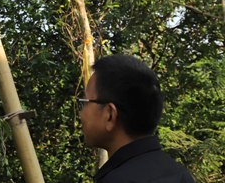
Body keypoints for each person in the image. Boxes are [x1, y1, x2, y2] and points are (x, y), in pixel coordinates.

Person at [80, 54, 196, 182]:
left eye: (85, 102)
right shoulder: (180, 174)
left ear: (110, 115)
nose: (81, 114)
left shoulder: (116, 180)